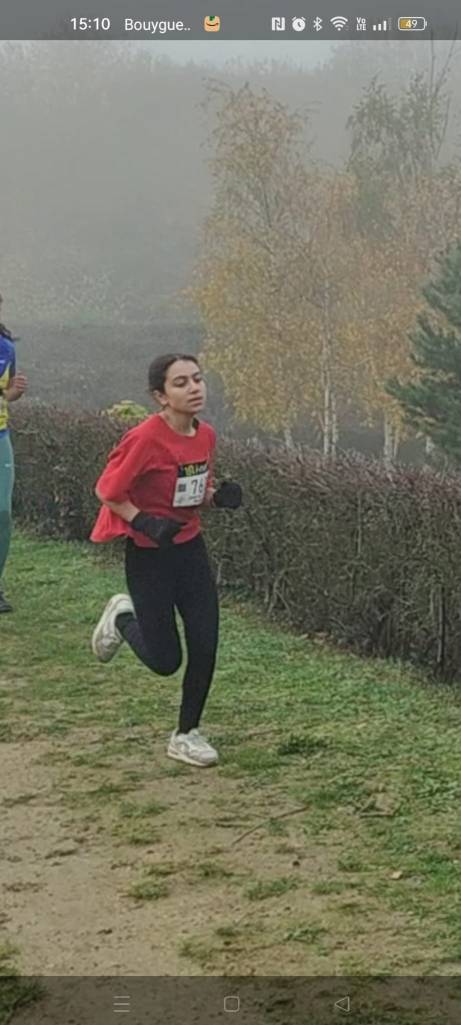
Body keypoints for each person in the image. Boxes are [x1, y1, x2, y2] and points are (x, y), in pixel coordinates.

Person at [90, 353, 242, 768]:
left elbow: (190, 490)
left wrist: (216, 498)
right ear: (160, 396)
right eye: (181, 383)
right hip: (149, 555)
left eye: (197, 379)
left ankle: (186, 734)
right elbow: (107, 491)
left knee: (205, 641)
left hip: (189, 549)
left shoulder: (205, 435)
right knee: (165, 661)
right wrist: (143, 521)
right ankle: (123, 618)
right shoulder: (144, 439)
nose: (194, 388)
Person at [0, 295, 27, 613]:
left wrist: (13, 393)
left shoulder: (6, 348)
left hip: (0, 437)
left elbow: (5, 393)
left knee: (2, 513)